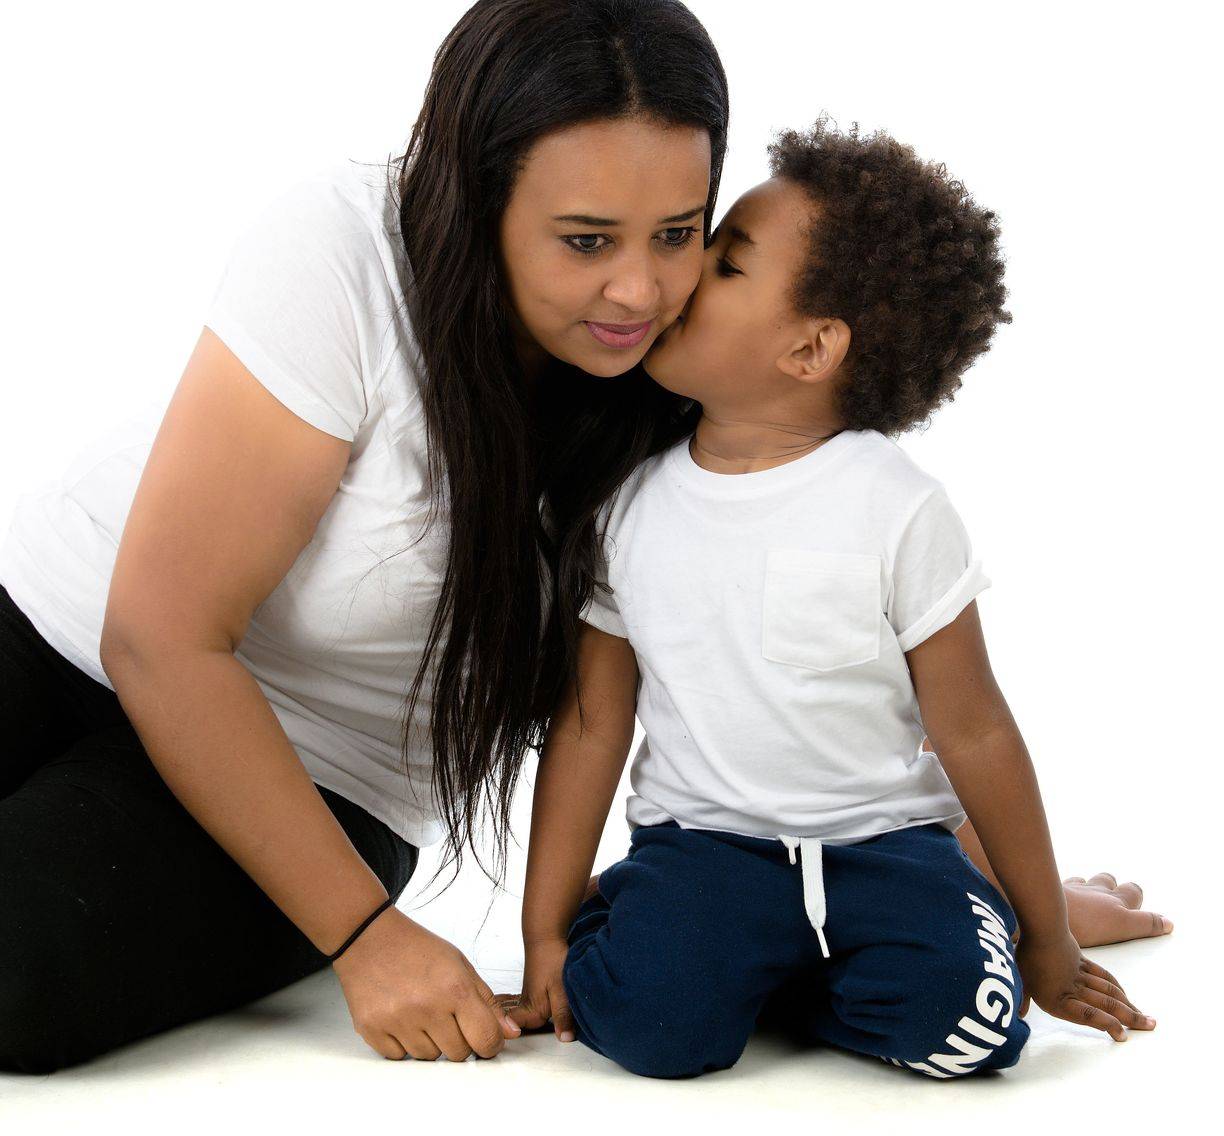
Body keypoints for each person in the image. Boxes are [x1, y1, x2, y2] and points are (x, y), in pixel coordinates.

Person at [0, 1, 1163, 1075]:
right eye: (587, 239)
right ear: (478, 200)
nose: (642, 290)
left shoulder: (698, 391)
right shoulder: (345, 250)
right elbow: (161, 634)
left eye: (680, 232)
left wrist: (1004, 898)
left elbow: (823, 690)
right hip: (65, 631)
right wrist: (369, 941)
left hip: (322, 777)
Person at [508, 119, 1158, 1080]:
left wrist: (1049, 936)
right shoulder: (628, 508)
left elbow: (975, 729)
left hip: (885, 852)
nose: (679, 281)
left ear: (811, 348)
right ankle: (675, 930)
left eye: (725, 264)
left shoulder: (896, 508)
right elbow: (592, 722)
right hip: (706, 853)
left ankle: (846, 959)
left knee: (974, 1030)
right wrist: (544, 936)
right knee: (648, 1030)